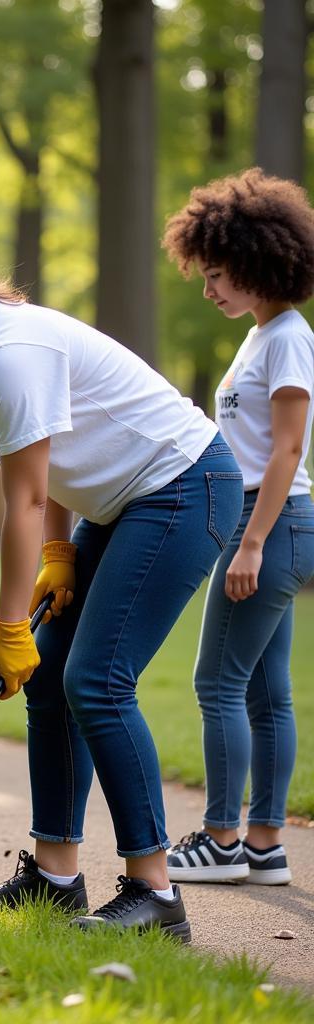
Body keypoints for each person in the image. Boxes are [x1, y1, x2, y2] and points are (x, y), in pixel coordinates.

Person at [0, 201, 243, 940]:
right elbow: (53, 462)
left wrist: (9, 625)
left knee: (96, 680)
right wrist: (61, 558)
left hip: (184, 486)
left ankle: (154, 895)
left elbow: (27, 498)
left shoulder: (9, 351)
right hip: (122, 502)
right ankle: (57, 877)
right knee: (51, 676)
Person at [161, 169, 314, 887]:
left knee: (215, 682)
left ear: (258, 263)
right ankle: (263, 844)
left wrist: (250, 540)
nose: (208, 288)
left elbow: (288, 447)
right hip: (271, 523)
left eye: (217, 274)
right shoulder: (265, 334)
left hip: (271, 524)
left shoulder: (286, 338)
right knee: (264, 691)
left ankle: (220, 842)